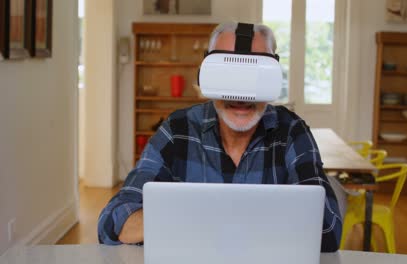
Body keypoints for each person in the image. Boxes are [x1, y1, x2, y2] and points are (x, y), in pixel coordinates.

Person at [97, 22, 342, 252]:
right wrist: (233, 219)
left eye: (255, 75)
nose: (241, 95)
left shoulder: (291, 131)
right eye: (228, 75)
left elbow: (328, 229)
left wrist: (196, 221)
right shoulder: (178, 129)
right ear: (205, 75)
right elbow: (113, 222)